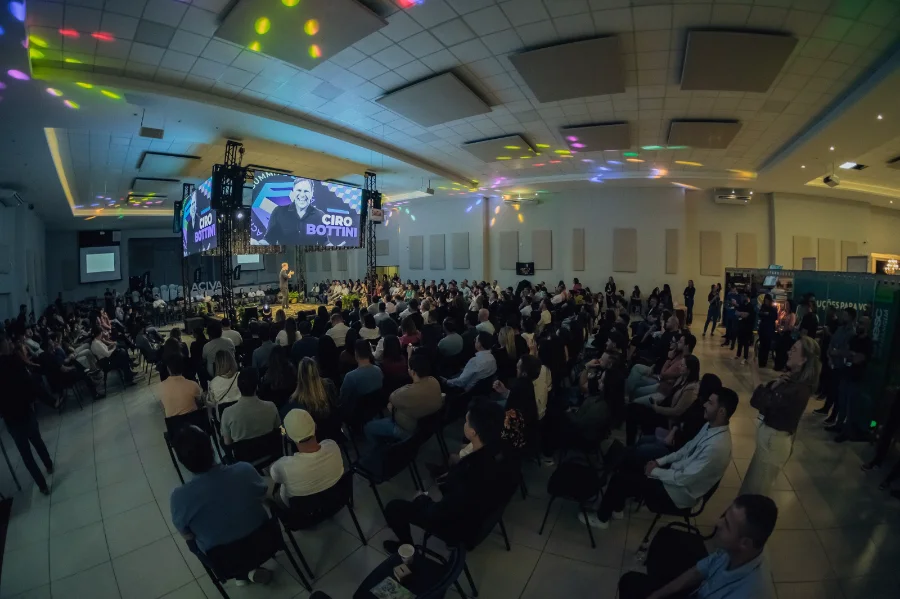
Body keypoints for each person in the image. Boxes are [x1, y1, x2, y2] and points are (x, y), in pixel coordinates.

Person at [581, 388, 737, 530]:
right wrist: (659, 462)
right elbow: (685, 450)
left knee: (621, 479)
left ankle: (601, 519)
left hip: (678, 494)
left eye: (710, 403)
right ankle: (617, 507)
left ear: (721, 411)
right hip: (675, 475)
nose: (704, 404)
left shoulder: (717, 447)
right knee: (628, 460)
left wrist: (654, 471)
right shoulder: (710, 426)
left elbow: (685, 479)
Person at [381, 401, 506, 553]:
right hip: (480, 517)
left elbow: (438, 513)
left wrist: (422, 500)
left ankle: (407, 548)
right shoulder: (500, 453)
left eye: (467, 422)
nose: (464, 425)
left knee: (393, 508)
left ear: (473, 432)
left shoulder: (469, 473)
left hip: (459, 528)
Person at [169, 425, 274, 586]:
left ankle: (244, 574)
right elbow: (263, 495)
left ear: (182, 461)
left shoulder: (179, 498)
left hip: (224, 561)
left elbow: (187, 534)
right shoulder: (244, 470)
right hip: (267, 542)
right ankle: (248, 571)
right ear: (212, 447)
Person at [618, 494, 777, 599]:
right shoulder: (736, 550)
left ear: (745, 543)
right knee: (668, 538)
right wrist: (655, 596)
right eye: (723, 516)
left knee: (630, 583)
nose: (717, 523)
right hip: (700, 592)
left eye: (727, 525)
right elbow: (697, 571)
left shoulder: (750, 592)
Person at [740, 337, 820, 496]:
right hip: (769, 441)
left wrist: (754, 370)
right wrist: (774, 384)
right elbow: (764, 396)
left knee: (755, 494)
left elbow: (759, 400)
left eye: (794, 350)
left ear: (804, 359)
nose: (789, 352)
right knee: (750, 486)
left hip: (774, 444)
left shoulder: (798, 389)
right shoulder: (790, 381)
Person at [0, 333, 54, 494]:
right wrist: (49, 401)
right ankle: (49, 465)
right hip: (24, 410)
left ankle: (42, 486)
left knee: (26, 455)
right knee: (37, 441)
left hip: (11, 418)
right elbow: (29, 384)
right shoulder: (14, 361)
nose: (10, 342)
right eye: (7, 340)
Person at [365, 351, 443, 444]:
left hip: (407, 431)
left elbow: (392, 397)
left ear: (413, 372)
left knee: (368, 427)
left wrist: (394, 409)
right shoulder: (434, 381)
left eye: (409, 368)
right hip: (426, 427)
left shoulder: (407, 393)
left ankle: (379, 452)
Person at [270, 409, 344, 506]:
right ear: (315, 426)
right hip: (335, 501)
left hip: (305, 515)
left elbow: (275, 477)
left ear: (288, 437)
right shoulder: (333, 446)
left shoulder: (282, 467)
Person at [830, 315, 872, 443]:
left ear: (867, 326)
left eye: (862, 323)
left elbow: (858, 359)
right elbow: (844, 352)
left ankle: (846, 432)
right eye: (858, 322)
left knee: (850, 407)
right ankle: (839, 426)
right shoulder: (853, 338)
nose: (859, 325)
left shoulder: (868, 343)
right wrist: (849, 354)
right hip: (846, 374)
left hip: (856, 378)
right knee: (842, 403)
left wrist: (849, 355)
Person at [220, 369, 280, 445]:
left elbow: (227, 443)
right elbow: (279, 430)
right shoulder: (271, 407)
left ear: (238, 387)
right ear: (257, 386)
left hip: (243, 456)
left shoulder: (227, 413)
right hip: (271, 454)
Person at [263, 178, 326, 246]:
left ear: (312, 193)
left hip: (310, 256)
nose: (302, 195)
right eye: (299, 190)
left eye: (306, 191)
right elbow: (269, 239)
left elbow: (324, 242)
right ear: (293, 192)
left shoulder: (320, 215)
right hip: (283, 256)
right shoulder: (278, 212)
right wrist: (258, 244)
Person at [338, 339, 383, 409]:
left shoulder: (350, 377)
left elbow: (343, 400)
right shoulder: (378, 370)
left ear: (356, 354)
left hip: (355, 414)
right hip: (374, 409)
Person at [732, 292, 755, 364]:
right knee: (739, 341)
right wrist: (742, 313)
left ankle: (745, 357)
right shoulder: (742, 305)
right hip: (741, 325)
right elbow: (736, 313)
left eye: (745, 296)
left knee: (746, 342)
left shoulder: (750, 306)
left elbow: (747, 315)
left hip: (747, 327)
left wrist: (741, 313)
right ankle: (738, 354)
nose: (744, 298)